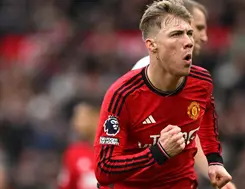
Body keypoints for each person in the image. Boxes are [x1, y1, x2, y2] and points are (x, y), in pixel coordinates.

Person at [94, 0, 232, 188]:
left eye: (189, 33)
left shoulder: (202, 81)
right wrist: (158, 151)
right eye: (177, 34)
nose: (189, 41)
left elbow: (207, 115)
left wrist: (214, 160)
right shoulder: (123, 95)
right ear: (152, 45)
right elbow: (104, 170)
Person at [133, 1, 236, 189]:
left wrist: (214, 168)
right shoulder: (147, 73)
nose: (204, 37)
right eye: (198, 28)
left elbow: (186, 134)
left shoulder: (189, 75)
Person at [58, 101, 101, 189]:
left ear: (96, 117)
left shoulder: (120, 151)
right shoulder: (73, 153)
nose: (75, 124)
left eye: (80, 118)